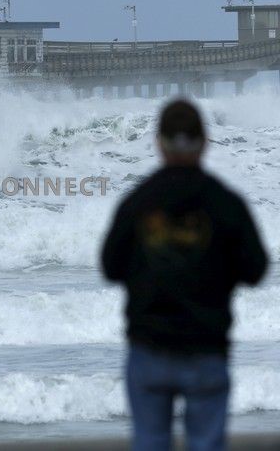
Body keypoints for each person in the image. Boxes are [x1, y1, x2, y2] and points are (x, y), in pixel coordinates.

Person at [101, 99, 267, 451]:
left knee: (150, 443)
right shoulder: (224, 203)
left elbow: (110, 266)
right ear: (205, 141)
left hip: (148, 348)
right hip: (206, 348)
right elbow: (256, 269)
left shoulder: (138, 203)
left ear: (158, 142)